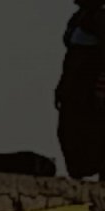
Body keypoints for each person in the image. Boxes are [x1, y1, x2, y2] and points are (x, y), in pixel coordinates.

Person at [56, 0, 105, 179]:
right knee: (68, 131)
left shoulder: (101, 18)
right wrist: (62, 85)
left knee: (95, 132)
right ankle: (76, 175)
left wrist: (101, 88)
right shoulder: (78, 18)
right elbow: (70, 56)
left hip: (91, 86)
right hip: (74, 84)